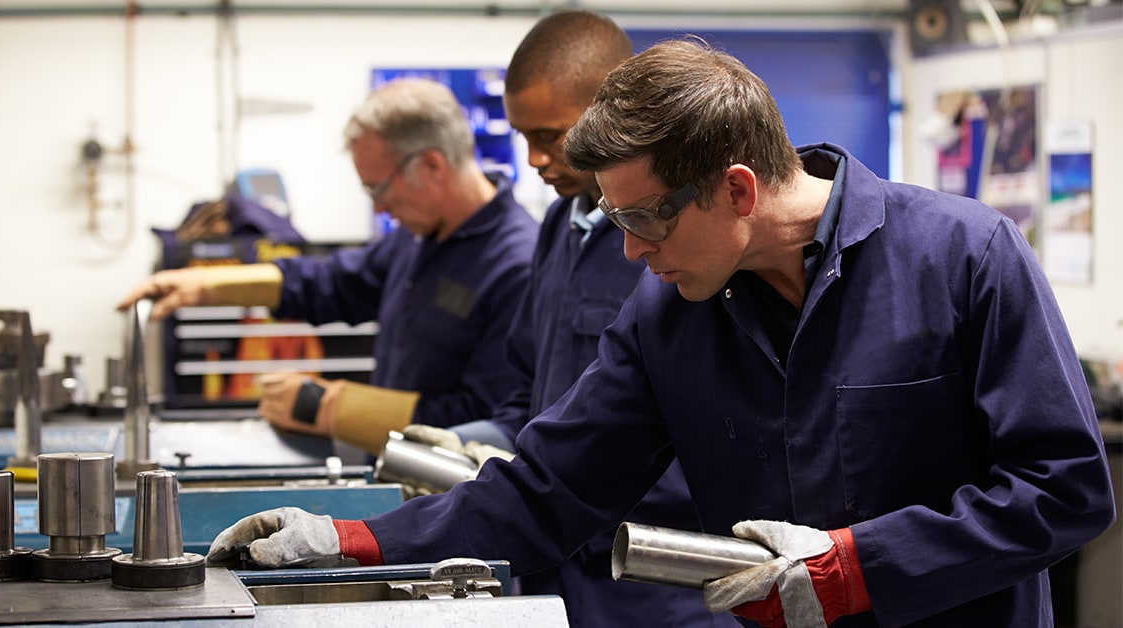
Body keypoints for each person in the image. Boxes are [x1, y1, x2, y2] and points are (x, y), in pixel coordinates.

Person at [205, 39, 1116, 627]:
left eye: (645, 220)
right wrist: (348, 541)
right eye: (615, 220)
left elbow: (1066, 489)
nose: (632, 252)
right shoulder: (671, 314)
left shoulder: (964, 256)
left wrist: (859, 566)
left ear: (737, 189)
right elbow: (549, 488)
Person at [402, 11, 736, 627]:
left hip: (653, 578)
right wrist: (477, 440)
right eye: (522, 137)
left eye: (549, 136)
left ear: (612, 109)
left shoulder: (678, 244)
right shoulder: (560, 227)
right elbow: (531, 391)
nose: (534, 159)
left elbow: (706, 427)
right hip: (554, 559)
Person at [116, 78, 538, 454]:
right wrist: (208, 284)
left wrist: (325, 406)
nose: (378, 207)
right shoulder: (419, 236)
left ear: (431, 165)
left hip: (455, 491)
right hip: (399, 468)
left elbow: (488, 421)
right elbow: (334, 282)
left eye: (378, 188)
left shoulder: (517, 266)